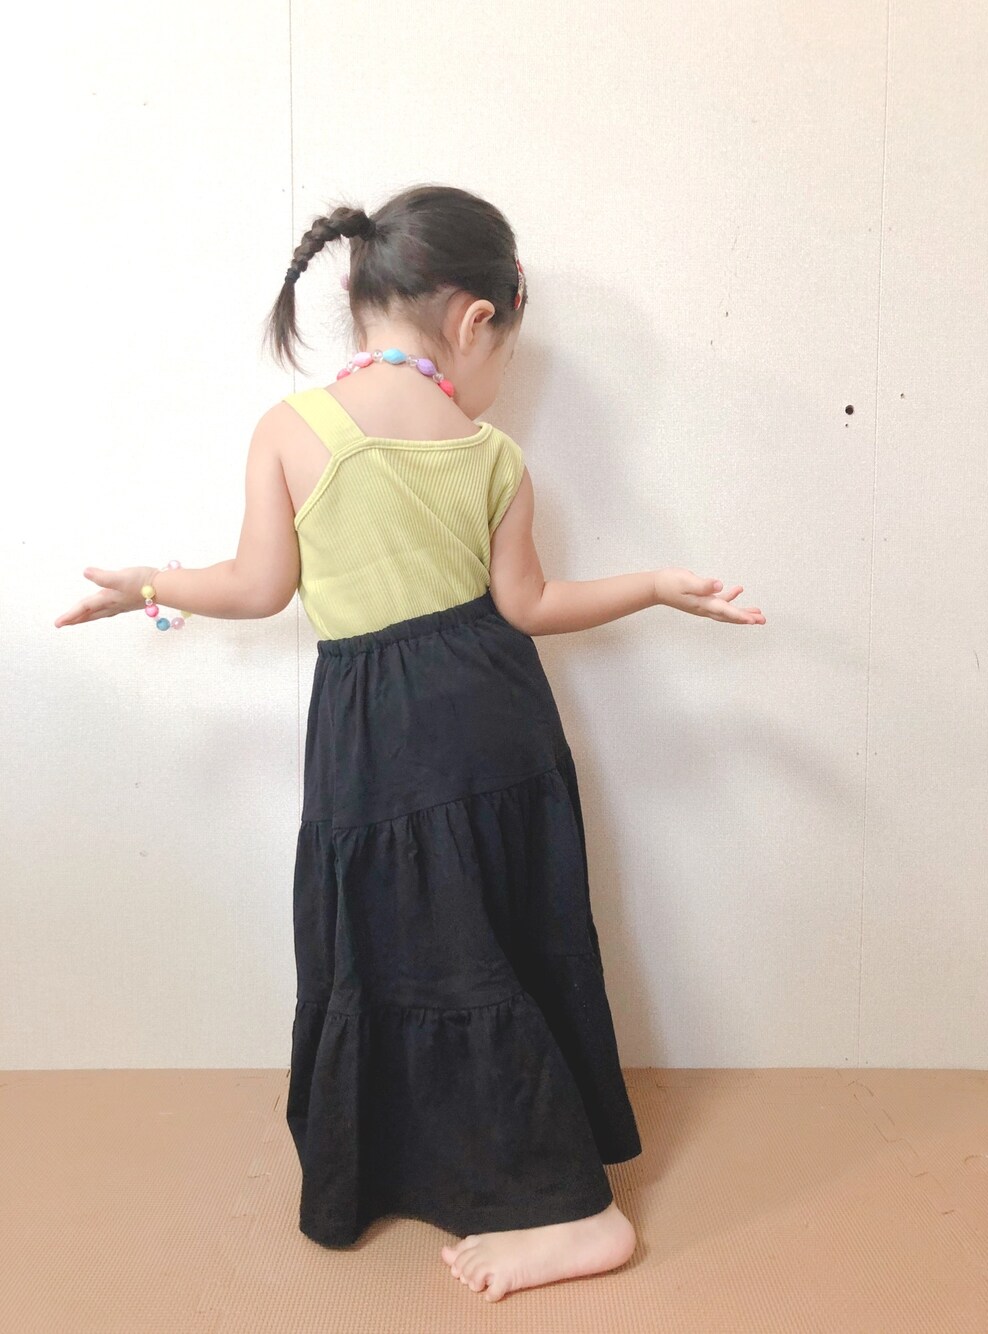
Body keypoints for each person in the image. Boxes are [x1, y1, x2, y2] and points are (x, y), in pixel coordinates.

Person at [54, 183, 765, 1302]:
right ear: (477, 319)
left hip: (376, 731)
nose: (502, 375)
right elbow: (530, 605)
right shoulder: (490, 452)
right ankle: (478, 1167)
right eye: (508, 351)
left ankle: (578, 1215)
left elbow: (256, 586)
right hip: (499, 723)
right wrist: (656, 584)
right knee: (493, 943)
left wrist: (149, 583)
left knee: (406, 947)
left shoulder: (291, 431)